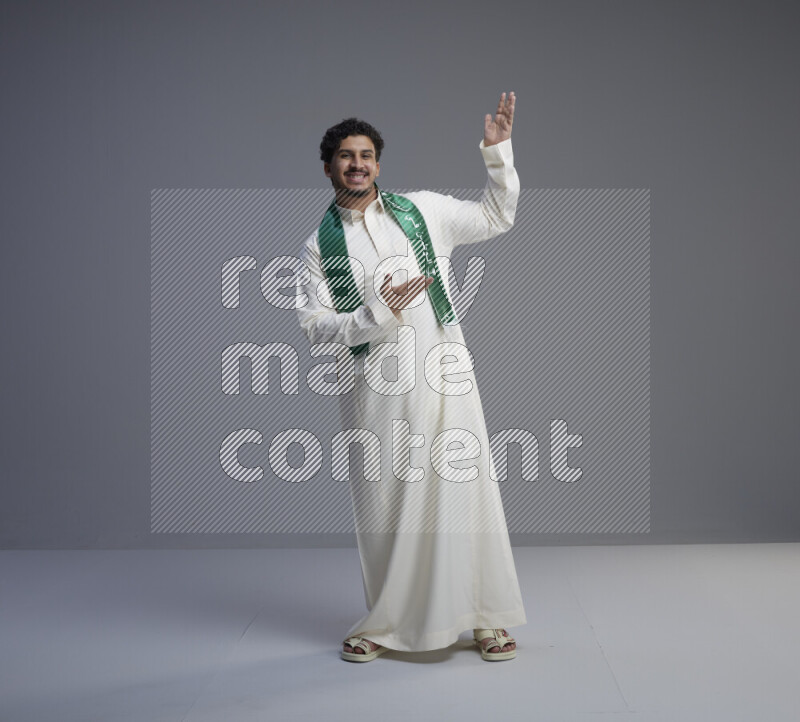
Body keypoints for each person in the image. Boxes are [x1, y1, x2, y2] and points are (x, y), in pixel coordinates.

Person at [296, 92, 526, 662]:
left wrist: (498, 155)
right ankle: (386, 621)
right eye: (346, 156)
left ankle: (485, 618)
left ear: (379, 162)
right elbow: (316, 327)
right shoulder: (316, 247)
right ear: (328, 166)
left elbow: (498, 216)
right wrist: (377, 313)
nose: (357, 164)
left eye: (367, 154)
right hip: (375, 391)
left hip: (446, 374)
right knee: (386, 504)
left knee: (466, 495)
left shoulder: (423, 210)